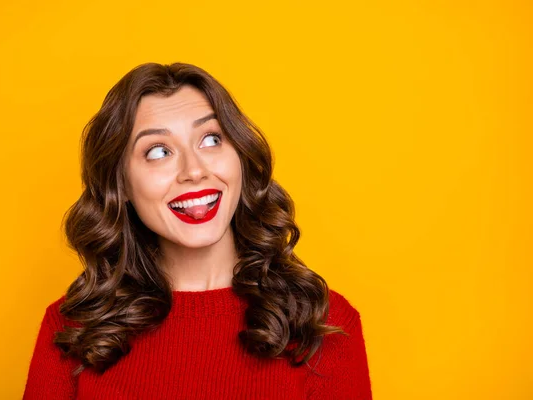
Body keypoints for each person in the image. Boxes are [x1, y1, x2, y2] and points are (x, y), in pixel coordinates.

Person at [22, 62, 373, 399]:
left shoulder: (322, 323)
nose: (193, 170)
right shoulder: (72, 330)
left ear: (241, 156)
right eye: (158, 151)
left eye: (210, 139)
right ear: (122, 186)